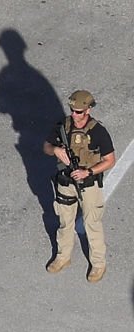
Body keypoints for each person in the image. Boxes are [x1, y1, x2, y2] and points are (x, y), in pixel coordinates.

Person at [43, 90, 116, 283]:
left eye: (79, 112)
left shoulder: (98, 131)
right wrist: (56, 150)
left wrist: (88, 172)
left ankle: (98, 264)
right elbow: (46, 147)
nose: (75, 115)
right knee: (65, 221)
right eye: (73, 111)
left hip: (88, 184)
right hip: (66, 182)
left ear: (89, 110)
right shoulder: (63, 127)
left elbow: (110, 160)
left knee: (92, 223)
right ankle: (63, 256)